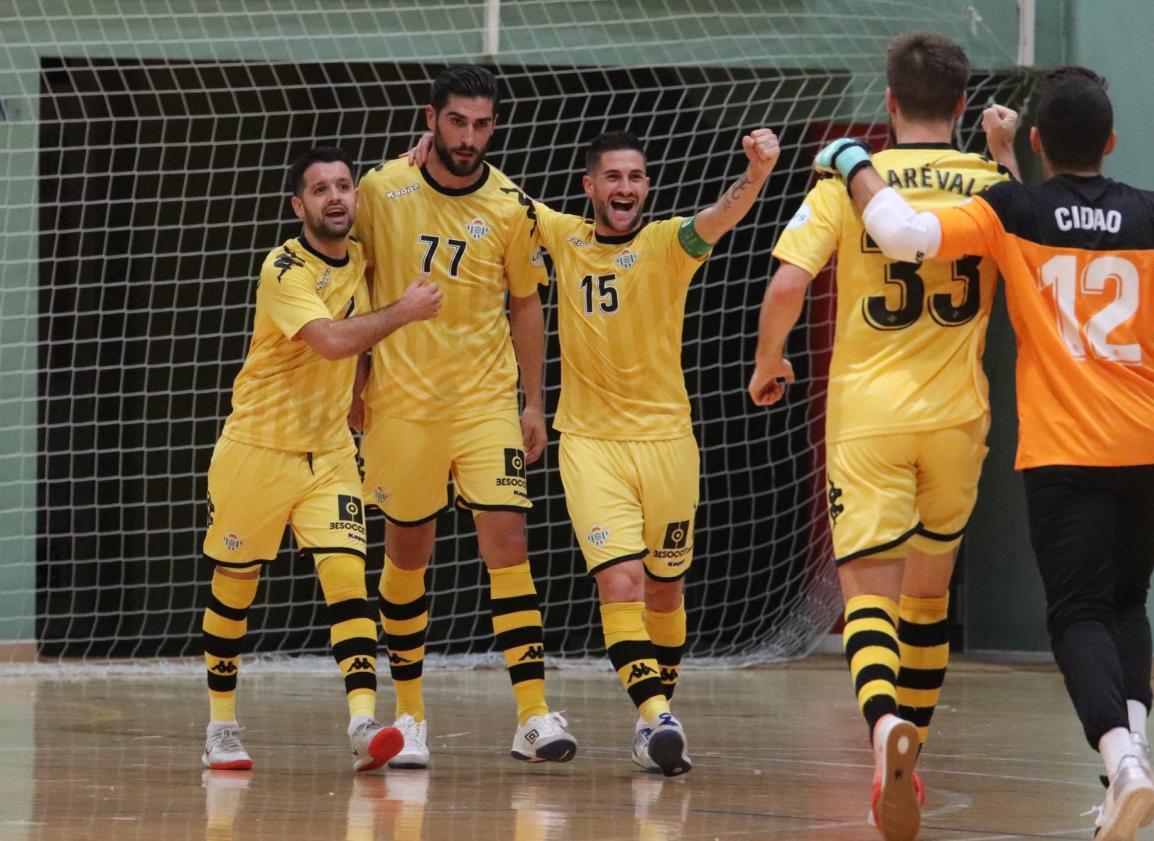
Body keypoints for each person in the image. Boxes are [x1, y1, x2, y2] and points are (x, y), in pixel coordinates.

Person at [821, 66, 1154, 841]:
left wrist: (850, 161)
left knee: (1075, 613)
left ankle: (1122, 759)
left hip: (1067, 443)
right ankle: (1125, 766)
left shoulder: (1015, 206)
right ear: (1111, 140)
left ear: (1035, 140)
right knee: (1125, 601)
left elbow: (901, 234)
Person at [748, 31, 1018, 841]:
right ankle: (912, 753)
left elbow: (789, 281)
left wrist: (770, 361)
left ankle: (881, 742)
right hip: (959, 414)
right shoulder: (989, 185)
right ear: (964, 105)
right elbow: (1030, 243)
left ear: (891, 103)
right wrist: (1004, 154)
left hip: (868, 414)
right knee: (928, 598)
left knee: (868, 594)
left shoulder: (848, 177)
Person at [535, 127, 779, 776]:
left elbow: (722, 215)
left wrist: (756, 172)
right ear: (590, 187)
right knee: (621, 580)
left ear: (647, 186)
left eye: (635, 177)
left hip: (668, 444)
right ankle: (656, 718)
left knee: (666, 592)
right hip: (590, 444)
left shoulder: (669, 242)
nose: (624, 187)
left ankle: (654, 724)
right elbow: (488, 196)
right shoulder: (561, 235)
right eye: (612, 177)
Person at [353, 64, 575, 768]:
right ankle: (409, 715)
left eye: (482, 124)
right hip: (402, 405)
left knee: (508, 546)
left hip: (485, 405)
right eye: (457, 122)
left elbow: (526, 303)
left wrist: (535, 400)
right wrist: (354, 380)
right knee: (405, 557)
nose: (469, 137)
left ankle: (534, 714)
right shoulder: (381, 189)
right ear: (431, 117)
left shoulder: (512, 206)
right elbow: (350, 280)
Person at [200, 146, 443, 772]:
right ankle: (221, 726)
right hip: (258, 450)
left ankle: (364, 723)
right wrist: (406, 312)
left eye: (343, 186)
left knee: (348, 585)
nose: (334, 197)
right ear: (298, 205)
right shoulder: (284, 269)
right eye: (320, 189)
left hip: (331, 453)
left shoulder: (361, 254)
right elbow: (334, 341)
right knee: (235, 590)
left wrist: (415, 157)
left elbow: (353, 341)